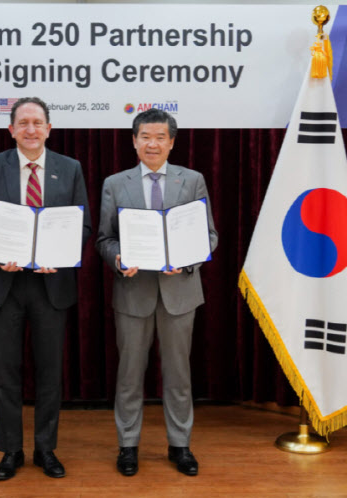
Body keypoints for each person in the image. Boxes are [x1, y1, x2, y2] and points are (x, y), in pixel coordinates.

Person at [0, 97, 91, 481]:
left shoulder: (70, 168)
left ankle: (46, 449)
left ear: (49, 129)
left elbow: (82, 226)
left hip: (51, 285)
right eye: (23, 123)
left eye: (37, 123)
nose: (31, 130)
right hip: (3, 284)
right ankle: (11, 451)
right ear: (11, 130)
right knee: (6, 374)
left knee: (50, 373)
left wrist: (61, 255)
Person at [95, 108, 218, 477]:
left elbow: (209, 235)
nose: (152, 144)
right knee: (129, 374)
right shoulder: (115, 183)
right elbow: (104, 238)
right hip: (133, 292)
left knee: (179, 374)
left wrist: (188, 258)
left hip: (179, 292)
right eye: (145, 137)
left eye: (160, 137)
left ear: (171, 142)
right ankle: (128, 445)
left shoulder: (192, 180)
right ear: (134, 141)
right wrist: (118, 258)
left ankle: (180, 445)